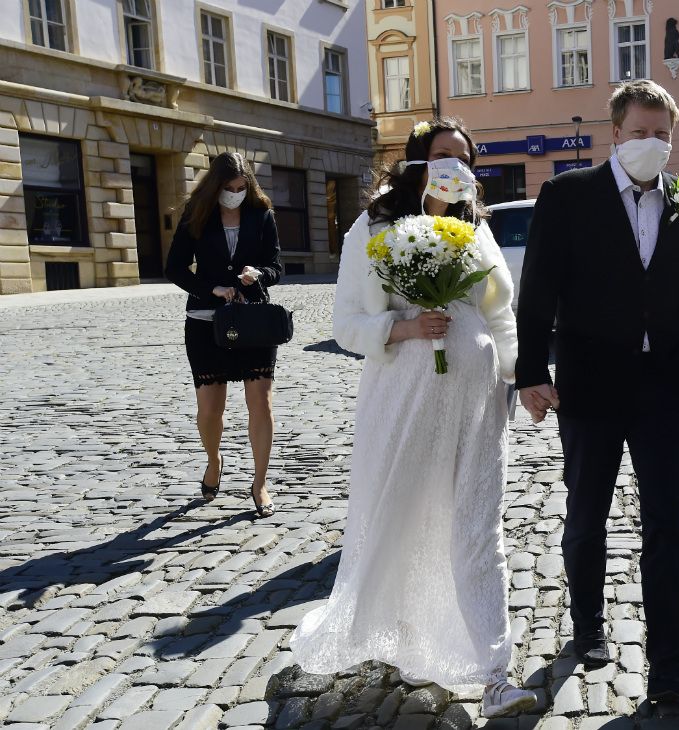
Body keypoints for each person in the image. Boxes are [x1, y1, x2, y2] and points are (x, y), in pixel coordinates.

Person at [288, 118, 535, 719]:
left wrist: (521, 376)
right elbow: (345, 322)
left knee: (480, 527)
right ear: (417, 162)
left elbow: (502, 314)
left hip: (476, 402)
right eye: (442, 155)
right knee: (397, 517)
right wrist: (402, 326)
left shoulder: (477, 230)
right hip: (404, 396)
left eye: (464, 159)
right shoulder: (374, 227)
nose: (455, 167)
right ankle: (401, 634)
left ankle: (496, 671)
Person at [515, 80, 679, 702]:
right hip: (591, 385)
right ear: (616, 134)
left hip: (662, 389)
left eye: (662, 134)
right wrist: (530, 372)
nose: (651, 144)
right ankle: (588, 627)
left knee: (667, 524)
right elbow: (540, 290)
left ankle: (668, 665)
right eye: (640, 133)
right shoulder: (568, 194)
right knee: (587, 517)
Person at [164, 151, 281, 518]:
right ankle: (214, 460)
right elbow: (174, 268)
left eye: (241, 187)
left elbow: (277, 265)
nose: (236, 193)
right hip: (205, 322)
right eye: (229, 188)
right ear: (216, 187)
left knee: (260, 403)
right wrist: (209, 288)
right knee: (210, 409)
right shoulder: (196, 215)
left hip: (253, 322)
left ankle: (259, 482)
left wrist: (259, 274)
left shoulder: (261, 214)